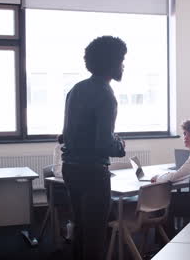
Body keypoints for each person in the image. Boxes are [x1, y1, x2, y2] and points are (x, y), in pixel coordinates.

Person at [61, 36, 127, 260]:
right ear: (111, 63)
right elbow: (103, 144)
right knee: (96, 237)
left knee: (80, 230)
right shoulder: (106, 95)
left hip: (70, 169)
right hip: (93, 173)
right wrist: (120, 145)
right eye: (121, 60)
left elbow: (65, 135)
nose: (123, 65)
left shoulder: (76, 89)